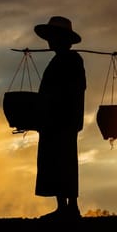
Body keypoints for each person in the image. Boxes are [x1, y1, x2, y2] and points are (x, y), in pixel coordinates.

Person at [33, 16, 86, 221]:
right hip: (53, 120)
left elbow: (73, 90)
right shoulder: (59, 60)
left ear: (63, 40)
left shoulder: (72, 60)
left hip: (63, 119)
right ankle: (63, 207)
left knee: (64, 162)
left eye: (54, 37)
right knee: (53, 162)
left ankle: (70, 208)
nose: (50, 42)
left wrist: (52, 106)